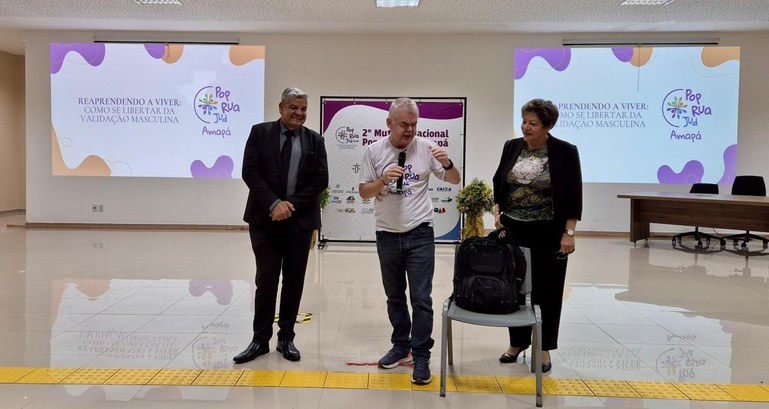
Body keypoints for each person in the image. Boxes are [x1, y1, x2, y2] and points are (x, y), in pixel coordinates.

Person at [359, 97, 461, 385]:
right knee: (394, 296)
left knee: (421, 298)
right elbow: (364, 192)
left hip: (420, 232)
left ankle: (421, 355)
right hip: (387, 233)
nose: (410, 130)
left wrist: (448, 162)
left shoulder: (427, 148)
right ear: (389, 123)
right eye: (404, 124)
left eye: (414, 124)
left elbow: (454, 179)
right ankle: (400, 345)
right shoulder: (373, 151)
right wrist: (382, 181)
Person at [234, 87, 329, 364]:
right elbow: (249, 171)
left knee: (294, 280)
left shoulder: (314, 140)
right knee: (266, 280)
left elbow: (320, 180)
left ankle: (286, 338)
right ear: (281, 108)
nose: (299, 113)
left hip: (299, 222)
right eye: (294, 108)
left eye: (303, 109)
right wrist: (274, 203)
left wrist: (289, 205)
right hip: (264, 220)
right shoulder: (259, 133)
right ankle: (259, 340)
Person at [492, 98, 582, 373]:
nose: (526, 127)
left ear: (548, 126)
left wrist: (569, 233)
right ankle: (517, 342)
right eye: (524, 121)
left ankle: (543, 348)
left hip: (549, 232)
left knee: (548, 291)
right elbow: (499, 180)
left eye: (533, 123)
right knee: (514, 287)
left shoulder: (565, 152)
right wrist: (497, 209)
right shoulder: (512, 146)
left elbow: (573, 194)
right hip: (514, 230)